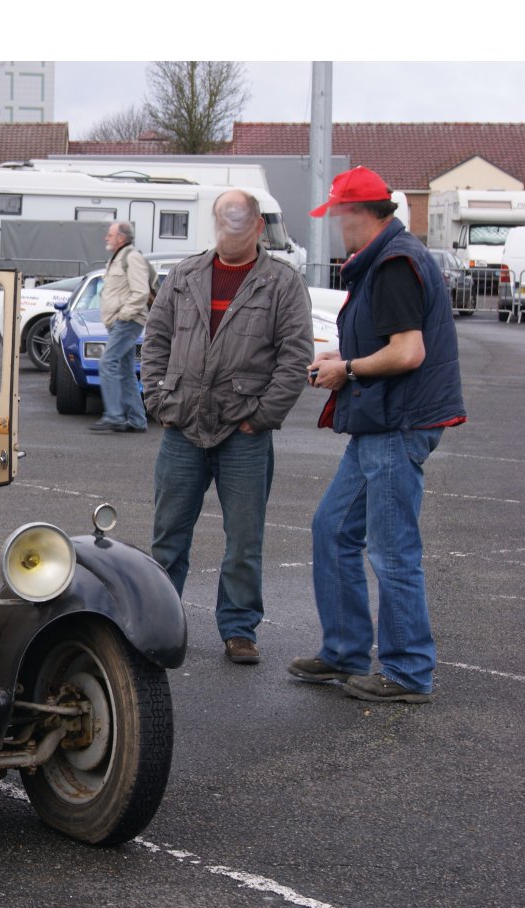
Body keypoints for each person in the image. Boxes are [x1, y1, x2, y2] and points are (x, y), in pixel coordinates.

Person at [291, 166, 466, 703]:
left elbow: (408, 351)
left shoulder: (392, 262)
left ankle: (408, 671)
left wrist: (349, 369)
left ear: (360, 214)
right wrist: (345, 359)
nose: (335, 226)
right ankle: (344, 651)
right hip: (384, 423)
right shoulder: (390, 257)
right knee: (332, 528)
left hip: (396, 423)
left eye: (338, 215)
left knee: (392, 551)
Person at [141, 189, 313, 664]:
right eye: (223, 222)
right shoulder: (185, 275)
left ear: (258, 227)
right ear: (214, 224)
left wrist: (261, 417)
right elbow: (155, 338)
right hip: (183, 428)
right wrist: (157, 398)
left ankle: (239, 629)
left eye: (239, 224)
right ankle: (161, 623)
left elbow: (296, 356)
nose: (230, 232)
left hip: (244, 435)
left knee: (244, 539)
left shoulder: (281, 282)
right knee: (168, 535)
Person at [91, 221, 151, 433]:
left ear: (121, 238)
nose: (106, 238)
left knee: (107, 362)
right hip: (119, 322)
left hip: (127, 321)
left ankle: (114, 415)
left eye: (110, 234)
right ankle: (137, 420)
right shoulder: (116, 259)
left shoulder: (132, 258)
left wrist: (123, 316)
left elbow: (141, 292)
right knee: (125, 370)